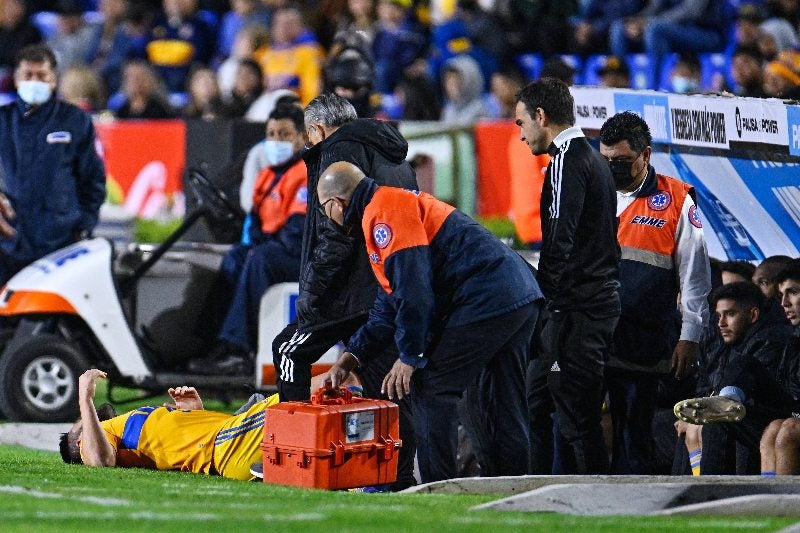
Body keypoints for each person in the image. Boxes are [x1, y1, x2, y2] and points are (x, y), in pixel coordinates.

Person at [319, 161, 543, 482]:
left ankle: (439, 488)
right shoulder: (388, 205)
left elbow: (414, 291)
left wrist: (411, 356)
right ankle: (512, 488)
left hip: (486, 297)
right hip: (517, 295)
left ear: (336, 203)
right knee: (504, 402)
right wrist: (351, 357)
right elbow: (390, 303)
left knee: (429, 386)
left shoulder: (383, 212)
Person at [272, 93, 418, 490]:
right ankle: (395, 478)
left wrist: (311, 298)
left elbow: (332, 237)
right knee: (386, 389)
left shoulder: (335, 153)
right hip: (387, 289)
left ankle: (293, 454)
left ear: (318, 130)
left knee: (288, 350)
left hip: (348, 291)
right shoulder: (394, 153)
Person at [514, 77, 620, 475]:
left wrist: (541, 306)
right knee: (539, 399)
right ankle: (534, 491)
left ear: (541, 117)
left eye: (522, 124)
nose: (522, 137)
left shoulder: (566, 162)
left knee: (576, 415)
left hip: (575, 315)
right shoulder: (591, 159)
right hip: (583, 311)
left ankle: (594, 505)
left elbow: (559, 242)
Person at [598, 111, 711, 474]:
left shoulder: (676, 201)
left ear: (645, 155)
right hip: (591, 338)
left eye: (623, 161)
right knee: (577, 427)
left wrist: (689, 336)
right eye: (606, 160)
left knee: (634, 434)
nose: (612, 168)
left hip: (643, 342)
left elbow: (695, 278)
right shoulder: (587, 191)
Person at [60, 368, 361, 479]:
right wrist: (84, 400)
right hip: (227, 444)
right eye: (81, 424)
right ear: (78, 441)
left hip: (230, 432)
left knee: (321, 417)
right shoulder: (96, 442)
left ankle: (359, 473)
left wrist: (193, 411)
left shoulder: (125, 426)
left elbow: (181, 440)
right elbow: (100, 462)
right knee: (336, 381)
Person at [189, 103, 308, 374]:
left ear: (302, 138)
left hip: (298, 254)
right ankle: (212, 341)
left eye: (284, 134)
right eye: (271, 134)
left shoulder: (305, 174)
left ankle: (239, 348)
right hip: (273, 247)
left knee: (258, 259)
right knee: (235, 256)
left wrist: (261, 246)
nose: (276, 141)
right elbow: (254, 223)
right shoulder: (267, 175)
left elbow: (297, 232)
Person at [0, 44, 106, 285]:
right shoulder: (3, 121)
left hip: (59, 245)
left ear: (54, 80)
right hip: (8, 244)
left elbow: (92, 179)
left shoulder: (75, 121)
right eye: (28, 75)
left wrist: (84, 227)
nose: (34, 82)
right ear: (16, 79)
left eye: (42, 76)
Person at [675, 281, 794, 474]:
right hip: (754, 411)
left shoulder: (770, 339)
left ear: (753, 314)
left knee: (719, 419)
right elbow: (705, 385)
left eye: (730, 314)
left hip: (773, 412)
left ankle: (711, 494)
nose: (721, 323)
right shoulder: (726, 345)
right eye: (718, 316)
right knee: (699, 422)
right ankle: (690, 495)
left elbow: (768, 392)